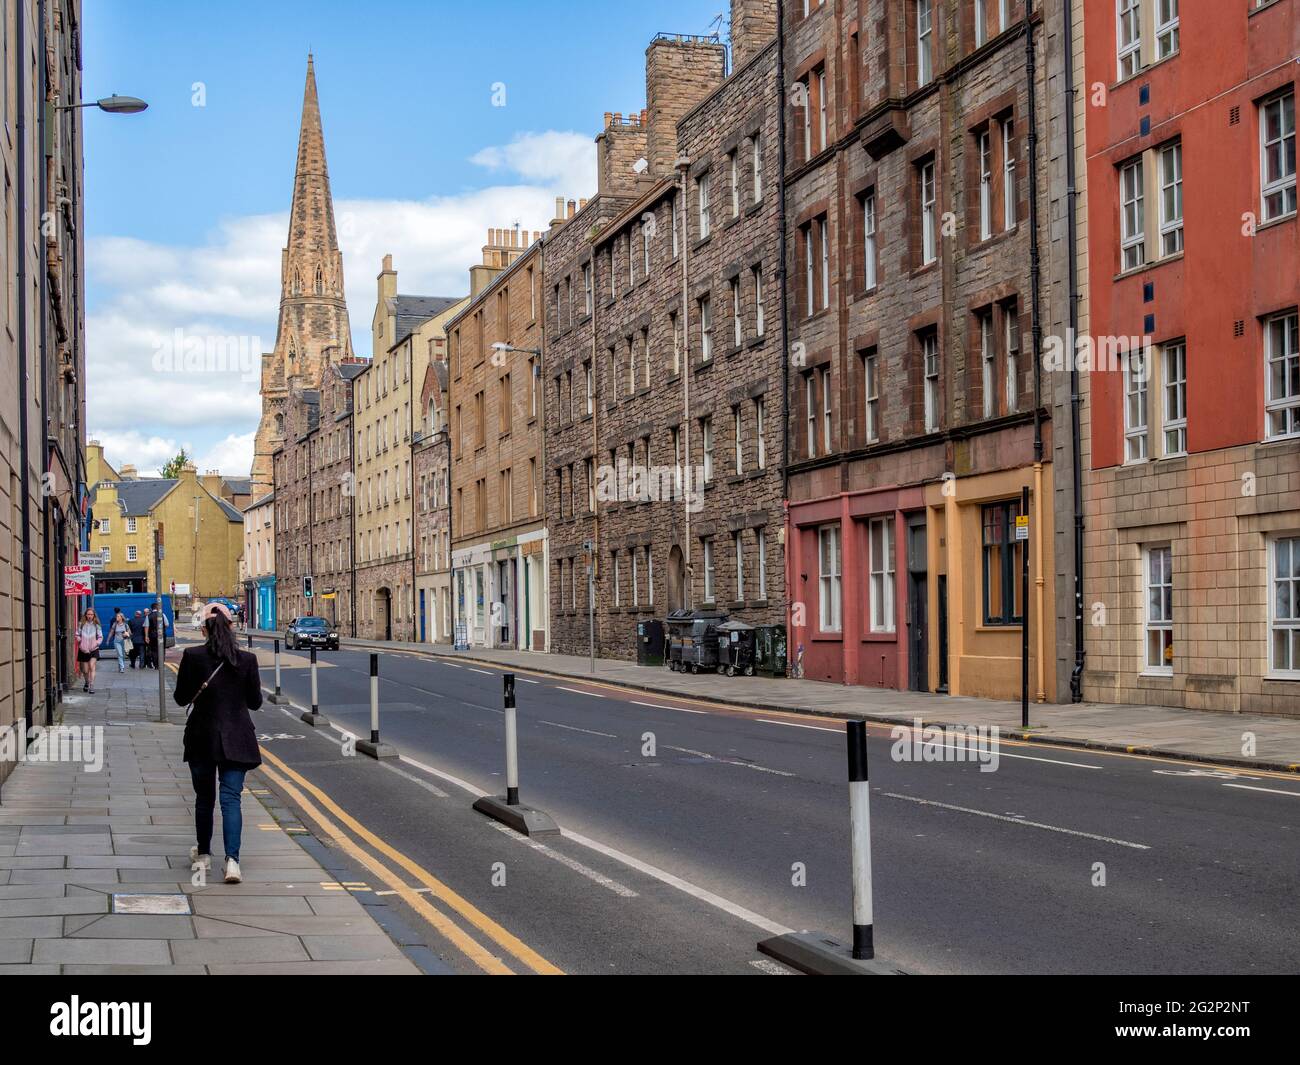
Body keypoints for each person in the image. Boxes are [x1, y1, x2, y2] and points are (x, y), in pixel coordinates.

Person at [173, 601, 263, 885]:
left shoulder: (192, 656)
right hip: (237, 737)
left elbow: (180, 698)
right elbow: (255, 702)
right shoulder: (246, 660)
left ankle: (203, 855)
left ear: (204, 631)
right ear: (231, 628)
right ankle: (233, 862)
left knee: (205, 799)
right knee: (231, 799)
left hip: (202, 735)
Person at [75, 608, 103, 693]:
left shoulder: (96, 625)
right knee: (85, 670)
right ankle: (87, 682)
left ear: (94, 615)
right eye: (88, 614)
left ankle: (92, 685)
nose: (90, 616)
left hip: (93, 649)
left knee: (92, 666)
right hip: (83, 649)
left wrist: (96, 643)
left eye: (91, 614)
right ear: (86, 615)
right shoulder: (81, 624)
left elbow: (100, 637)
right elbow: (77, 634)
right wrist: (80, 640)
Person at [109, 608, 130, 674]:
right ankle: (122, 668)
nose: (116, 617)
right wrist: (108, 639)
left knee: (123, 655)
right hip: (117, 641)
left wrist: (126, 633)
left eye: (118, 616)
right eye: (116, 616)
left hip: (124, 641)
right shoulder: (115, 624)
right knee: (120, 654)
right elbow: (111, 632)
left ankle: (120, 665)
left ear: (121, 617)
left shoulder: (126, 625)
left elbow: (130, 632)